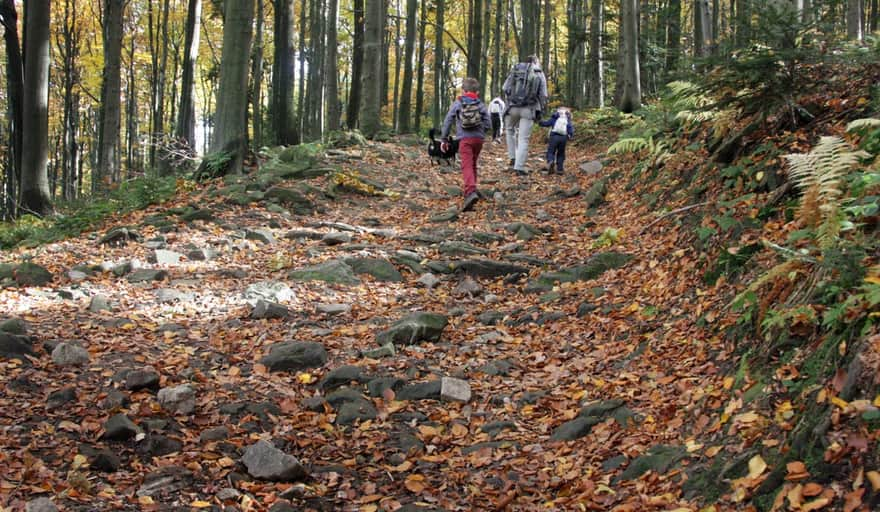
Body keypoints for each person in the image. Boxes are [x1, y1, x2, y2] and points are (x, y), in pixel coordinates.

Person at [441, 77, 491, 212]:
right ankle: (473, 187)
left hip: (464, 139)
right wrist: (481, 132)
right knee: (473, 163)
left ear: (463, 90)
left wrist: (444, 139)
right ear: (477, 92)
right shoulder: (480, 104)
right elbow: (488, 123)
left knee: (466, 165)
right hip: (478, 140)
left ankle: (470, 192)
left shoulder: (458, 103)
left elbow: (448, 120)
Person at [502, 55, 548, 176]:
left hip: (512, 107)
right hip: (529, 108)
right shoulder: (539, 72)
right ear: (536, 62)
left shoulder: (516, 70)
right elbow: (543, 94)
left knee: (509, 130)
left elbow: (505, 87)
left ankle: (512, 157)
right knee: (523, 138)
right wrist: (541, 108)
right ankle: (519, 167)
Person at [538, 107, 574, 174]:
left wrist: (539, 121)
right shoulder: (567, 120)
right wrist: (570, 136)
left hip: (554, 137)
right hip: (563, 138)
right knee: (561, 153)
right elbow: (570, 129)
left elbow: (546, 123)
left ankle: (550, 161)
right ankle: (560, 169)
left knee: (551, 151)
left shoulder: (554, 118)